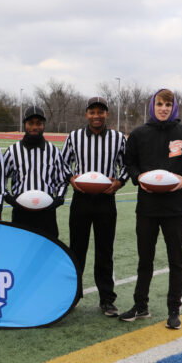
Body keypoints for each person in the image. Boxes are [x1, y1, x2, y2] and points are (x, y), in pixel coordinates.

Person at [119, 88, 182, 329]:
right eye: (159, 104)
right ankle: (141, 305)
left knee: (175, 260)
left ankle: (173, 310)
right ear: (153, 106)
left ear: (174, 107)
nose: (163, 108)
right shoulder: (139, 134)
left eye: (168, 104)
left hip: (175, 209)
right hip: (146, 208)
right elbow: (129, 163)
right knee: (144, 260)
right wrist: (139, 178)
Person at [62, 97, 128, 316]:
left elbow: (128, 165)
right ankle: (73, 296)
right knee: (77, 249)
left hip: (105, 200)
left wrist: (119, 182)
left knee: (104, 251)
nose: (96, 115)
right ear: (86, 114)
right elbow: (63, 163)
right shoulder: (74, 137)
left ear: (107, 114)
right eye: (92, 111)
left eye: (101, 111)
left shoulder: (118, 138)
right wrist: (71, 179)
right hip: (81, 200)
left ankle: (107, 299)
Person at [3, 105, 67, 238]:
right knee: (21, 251)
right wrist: (11, 200)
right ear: (24, 124)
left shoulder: (54, 151)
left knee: (47, 252)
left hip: (46, 213)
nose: (34, 127)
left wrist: (58, 200)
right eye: (30, 123)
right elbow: (0, 179)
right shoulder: (13, 151)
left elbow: (62, 181)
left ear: (43, 125)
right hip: (21, 212)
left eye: (39, 123)